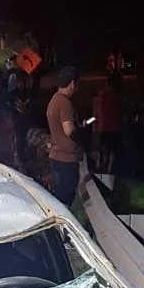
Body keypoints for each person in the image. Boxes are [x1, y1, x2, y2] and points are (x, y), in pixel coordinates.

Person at [45, 65, 82, 206]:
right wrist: (81, 131)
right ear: (72, 83)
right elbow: (69, 130)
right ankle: (56, 229)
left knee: (59, 200)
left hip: (56, 156)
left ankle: (54, 228)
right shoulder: (65, 103)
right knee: (66, 200)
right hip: (66, 159)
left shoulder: (54, 100)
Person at [92, 72, 122, 176]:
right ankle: (109, 169)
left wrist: (92, 124)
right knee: (112, 150)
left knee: (104, 149)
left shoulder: (102, 95)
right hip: (114, 128)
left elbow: (96, 113)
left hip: (104, 127)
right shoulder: (117, 97)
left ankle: (103, 168)